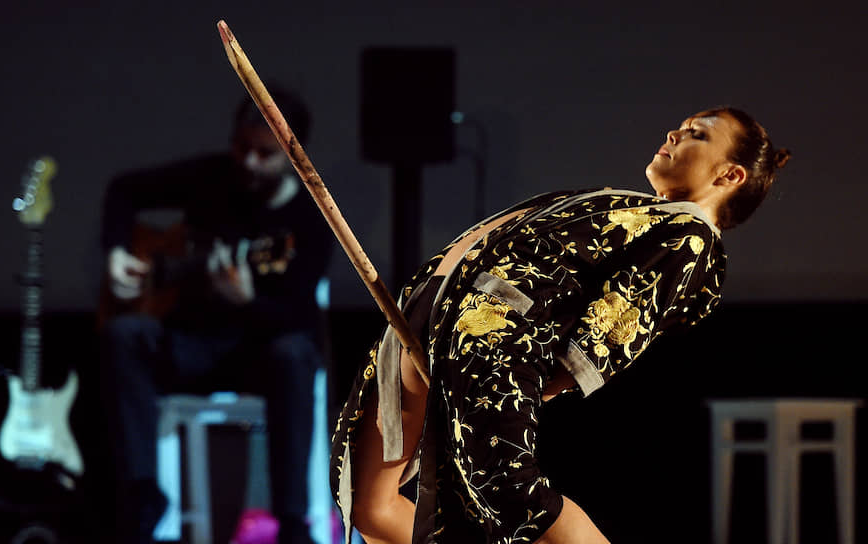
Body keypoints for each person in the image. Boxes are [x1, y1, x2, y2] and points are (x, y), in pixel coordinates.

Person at [329, 106, 791, 544]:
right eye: (683, 126)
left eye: (697, 134)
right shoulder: (634, 209)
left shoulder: (692, 236)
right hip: (431, 322)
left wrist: (526, 386)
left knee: (513, 495)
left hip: (489, 342)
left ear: (729, 175)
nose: (674, 134)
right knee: (368, 504)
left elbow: (618, 323)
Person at [99, 86, 334, 544]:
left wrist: (247, 302)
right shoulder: (212, 177)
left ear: (294, 154)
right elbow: (123, 190)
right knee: (124, 334)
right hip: (194, 344)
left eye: (265, 154)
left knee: (293, 355)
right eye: (242, 147)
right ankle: (142, 495)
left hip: (259, 355)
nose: (249, 162)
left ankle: (292, 522)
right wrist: (116, 252)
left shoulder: (311, 216)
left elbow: (298, 315)